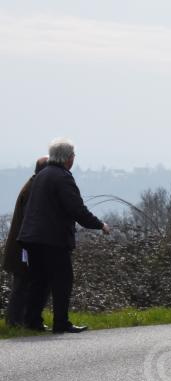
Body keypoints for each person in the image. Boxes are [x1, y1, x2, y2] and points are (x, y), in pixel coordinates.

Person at [17, 139, 110, 333]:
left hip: (31, 237)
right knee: (62, 280)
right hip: (52, 239)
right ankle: (61, 322)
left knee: (39, 280)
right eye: (73, 155)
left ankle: (32, 321)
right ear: (68, 158)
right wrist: (99, 224)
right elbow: (77, 209)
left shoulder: (41, 175)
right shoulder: (63, 177)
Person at [3, 156, 48, 328]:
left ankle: (18, 321)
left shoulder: (32, 186)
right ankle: (14, 322)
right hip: (23, 247)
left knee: (23, 285)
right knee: (21, 286)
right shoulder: (33, 190)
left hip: (22, 245)